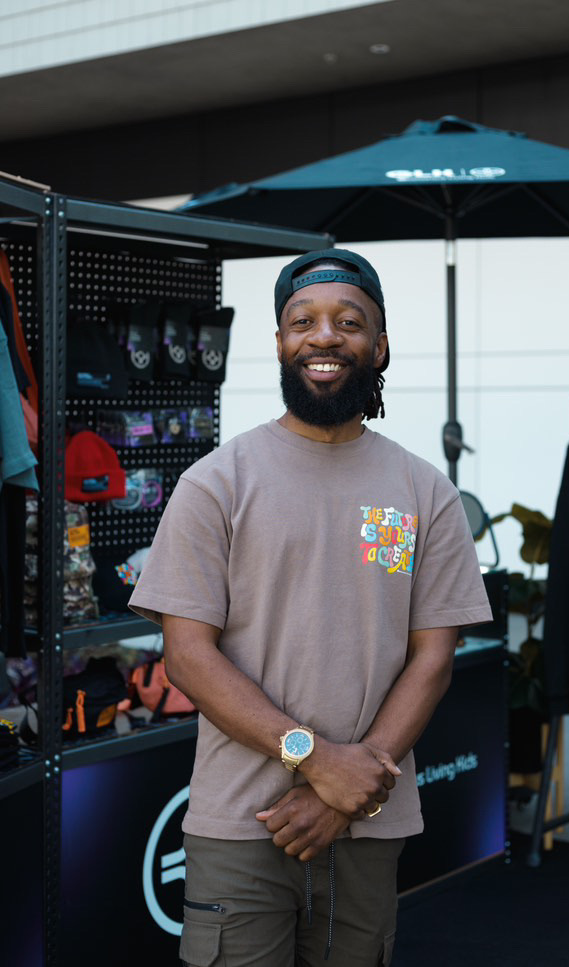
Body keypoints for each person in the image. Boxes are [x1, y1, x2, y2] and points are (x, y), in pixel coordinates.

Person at [129, 248, 492, 967]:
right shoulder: (217, 484)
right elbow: (188, 656)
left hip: (368, 819)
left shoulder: (424, 492)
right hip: (239, 821)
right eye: (303, 321)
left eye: (348, 321)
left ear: (379, 345)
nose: (323, 336)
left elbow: (432, 657)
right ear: (279, 343)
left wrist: (347, 789)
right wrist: (315, 758)